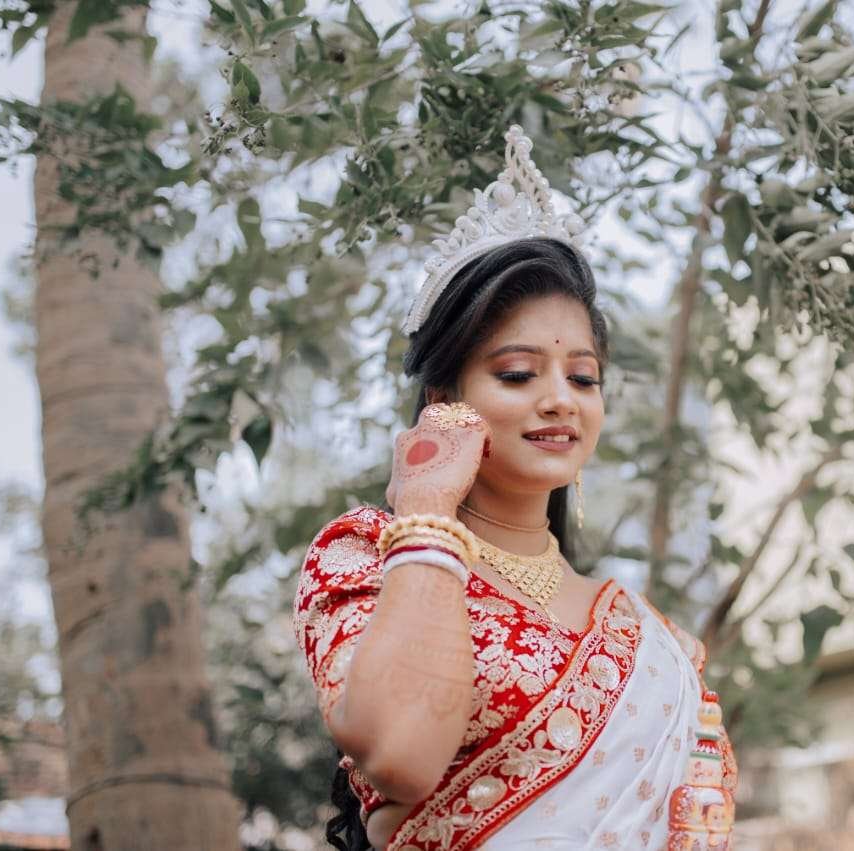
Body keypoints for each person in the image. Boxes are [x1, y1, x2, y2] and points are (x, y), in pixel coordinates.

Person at [292, 127, 738, 850]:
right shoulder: (364, 558)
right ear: (444, 397)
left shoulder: (651, 640)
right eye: (518, 373)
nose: (561, 399)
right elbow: (401, 752)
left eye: (583, 377)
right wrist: (427, 511)